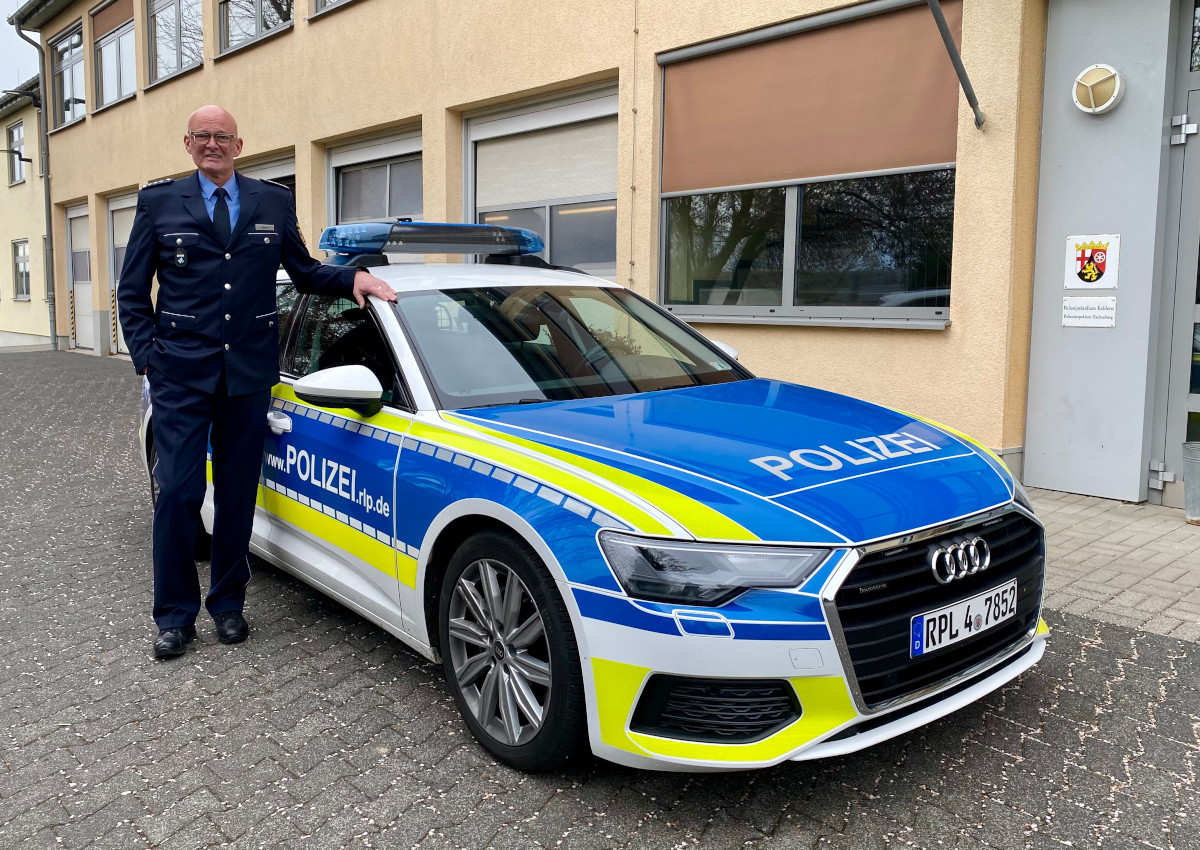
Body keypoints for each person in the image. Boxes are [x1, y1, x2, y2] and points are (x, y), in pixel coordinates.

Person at [118, 105, 397, 659]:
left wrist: (354, 277)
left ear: (239, 144)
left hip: (246, 375)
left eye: (222, 136)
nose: (213, 144)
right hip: (181, 374)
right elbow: (131, 291)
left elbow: (305, 271)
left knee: (238, 492)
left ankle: (227, 606)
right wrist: (149, 357)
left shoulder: (273, 199)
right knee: (178, 492)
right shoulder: (157, 203)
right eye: (203, 136)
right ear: (188, 143)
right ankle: (174, 616)